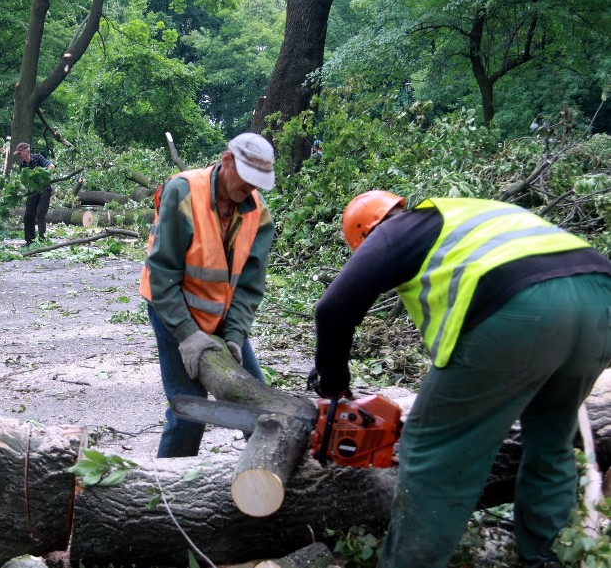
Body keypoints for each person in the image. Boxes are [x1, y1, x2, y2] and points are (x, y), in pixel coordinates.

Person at [312, 190, 611, 568]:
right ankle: (546, 556)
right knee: (552, 437)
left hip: (524, 309)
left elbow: (333, 309)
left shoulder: (394, 230)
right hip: (600, 301)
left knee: (433, 449)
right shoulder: (472, 214)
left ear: (365, 236)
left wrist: (334, 387)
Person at [140, 132, 276, 458]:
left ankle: (270, 478)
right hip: (171, 305)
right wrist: (187, 334)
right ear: (227, 160)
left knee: (256, 406)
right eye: (246, 181)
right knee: (190, 408)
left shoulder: (259, 215)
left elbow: (249, 287)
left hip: (221, 312)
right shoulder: (184, 193)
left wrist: (234, 335)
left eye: (257, 184)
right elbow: (162, 274)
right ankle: (167, 491)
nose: (250, 190)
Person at [14, 142, 56, 245]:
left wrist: (41, 175)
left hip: (44, 188)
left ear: (25, 152)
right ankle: (30, 241)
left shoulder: (38, 158)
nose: (19, 156)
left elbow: (51, 166)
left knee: (40, 212)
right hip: (32, 190)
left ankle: (42, 240)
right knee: (28, 215)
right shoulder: (22, 166)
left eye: (19, 153)